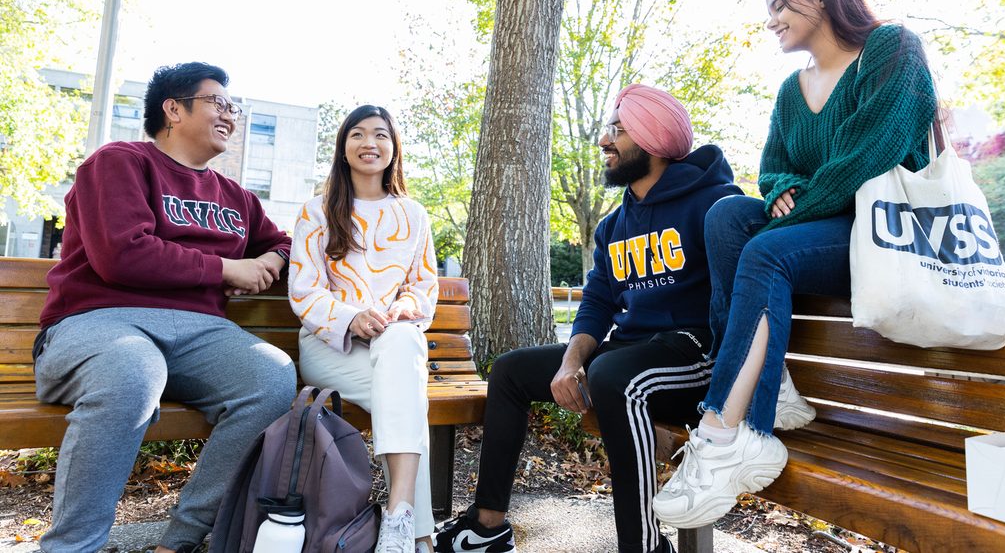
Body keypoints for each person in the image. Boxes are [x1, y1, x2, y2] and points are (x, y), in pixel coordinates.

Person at [652, 0, 938, 529]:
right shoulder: (791, 90)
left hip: (886, 236)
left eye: (780, 5)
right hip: (822, 233)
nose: (772, 20)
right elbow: (773, 168)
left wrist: (790, 212)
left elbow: (866, 160)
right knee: (729, 214)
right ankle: (771, 382)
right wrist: (782, 191)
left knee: (764, 248)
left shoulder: (892, 50)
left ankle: (729, 434)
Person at [434, 84, 743, 553]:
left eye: (618, 130)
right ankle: (488, 525)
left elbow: (744, 296)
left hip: (695, 356)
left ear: (654, 140)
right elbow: (598, 302)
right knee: (512, 371)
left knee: (614, 375)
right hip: (631, 355)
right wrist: (569, 363)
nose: (604, 141)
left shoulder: (713, 201)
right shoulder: (613, 225)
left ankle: (641, 546)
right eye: (607, 129)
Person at [33, 62, 298, 553]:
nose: (229, 115)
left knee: (270, 378)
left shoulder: (236, 197)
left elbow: (283, 244)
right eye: (216, 102)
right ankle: (72, 547)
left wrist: (265, 259)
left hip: (200, 334)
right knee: (132, 371)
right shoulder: (118, 163)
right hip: (98, 323)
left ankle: (177, 542)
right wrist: (225, 269)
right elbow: (122, 254)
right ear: (173, 110)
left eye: (231, 107)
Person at [289, 104, 438, 553]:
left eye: (380, 135)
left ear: (394, 149)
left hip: (393, 344)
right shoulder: (317, 211)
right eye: (357, 134)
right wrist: (351, 317)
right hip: (330, 345)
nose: (369, 143)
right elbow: (304, 290)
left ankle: (400, 518)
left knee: (401, 351)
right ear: (343, 147)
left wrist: (399, 311)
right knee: (407, 399)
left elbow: (423, 285)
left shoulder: (412, 213)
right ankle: (419, 535)